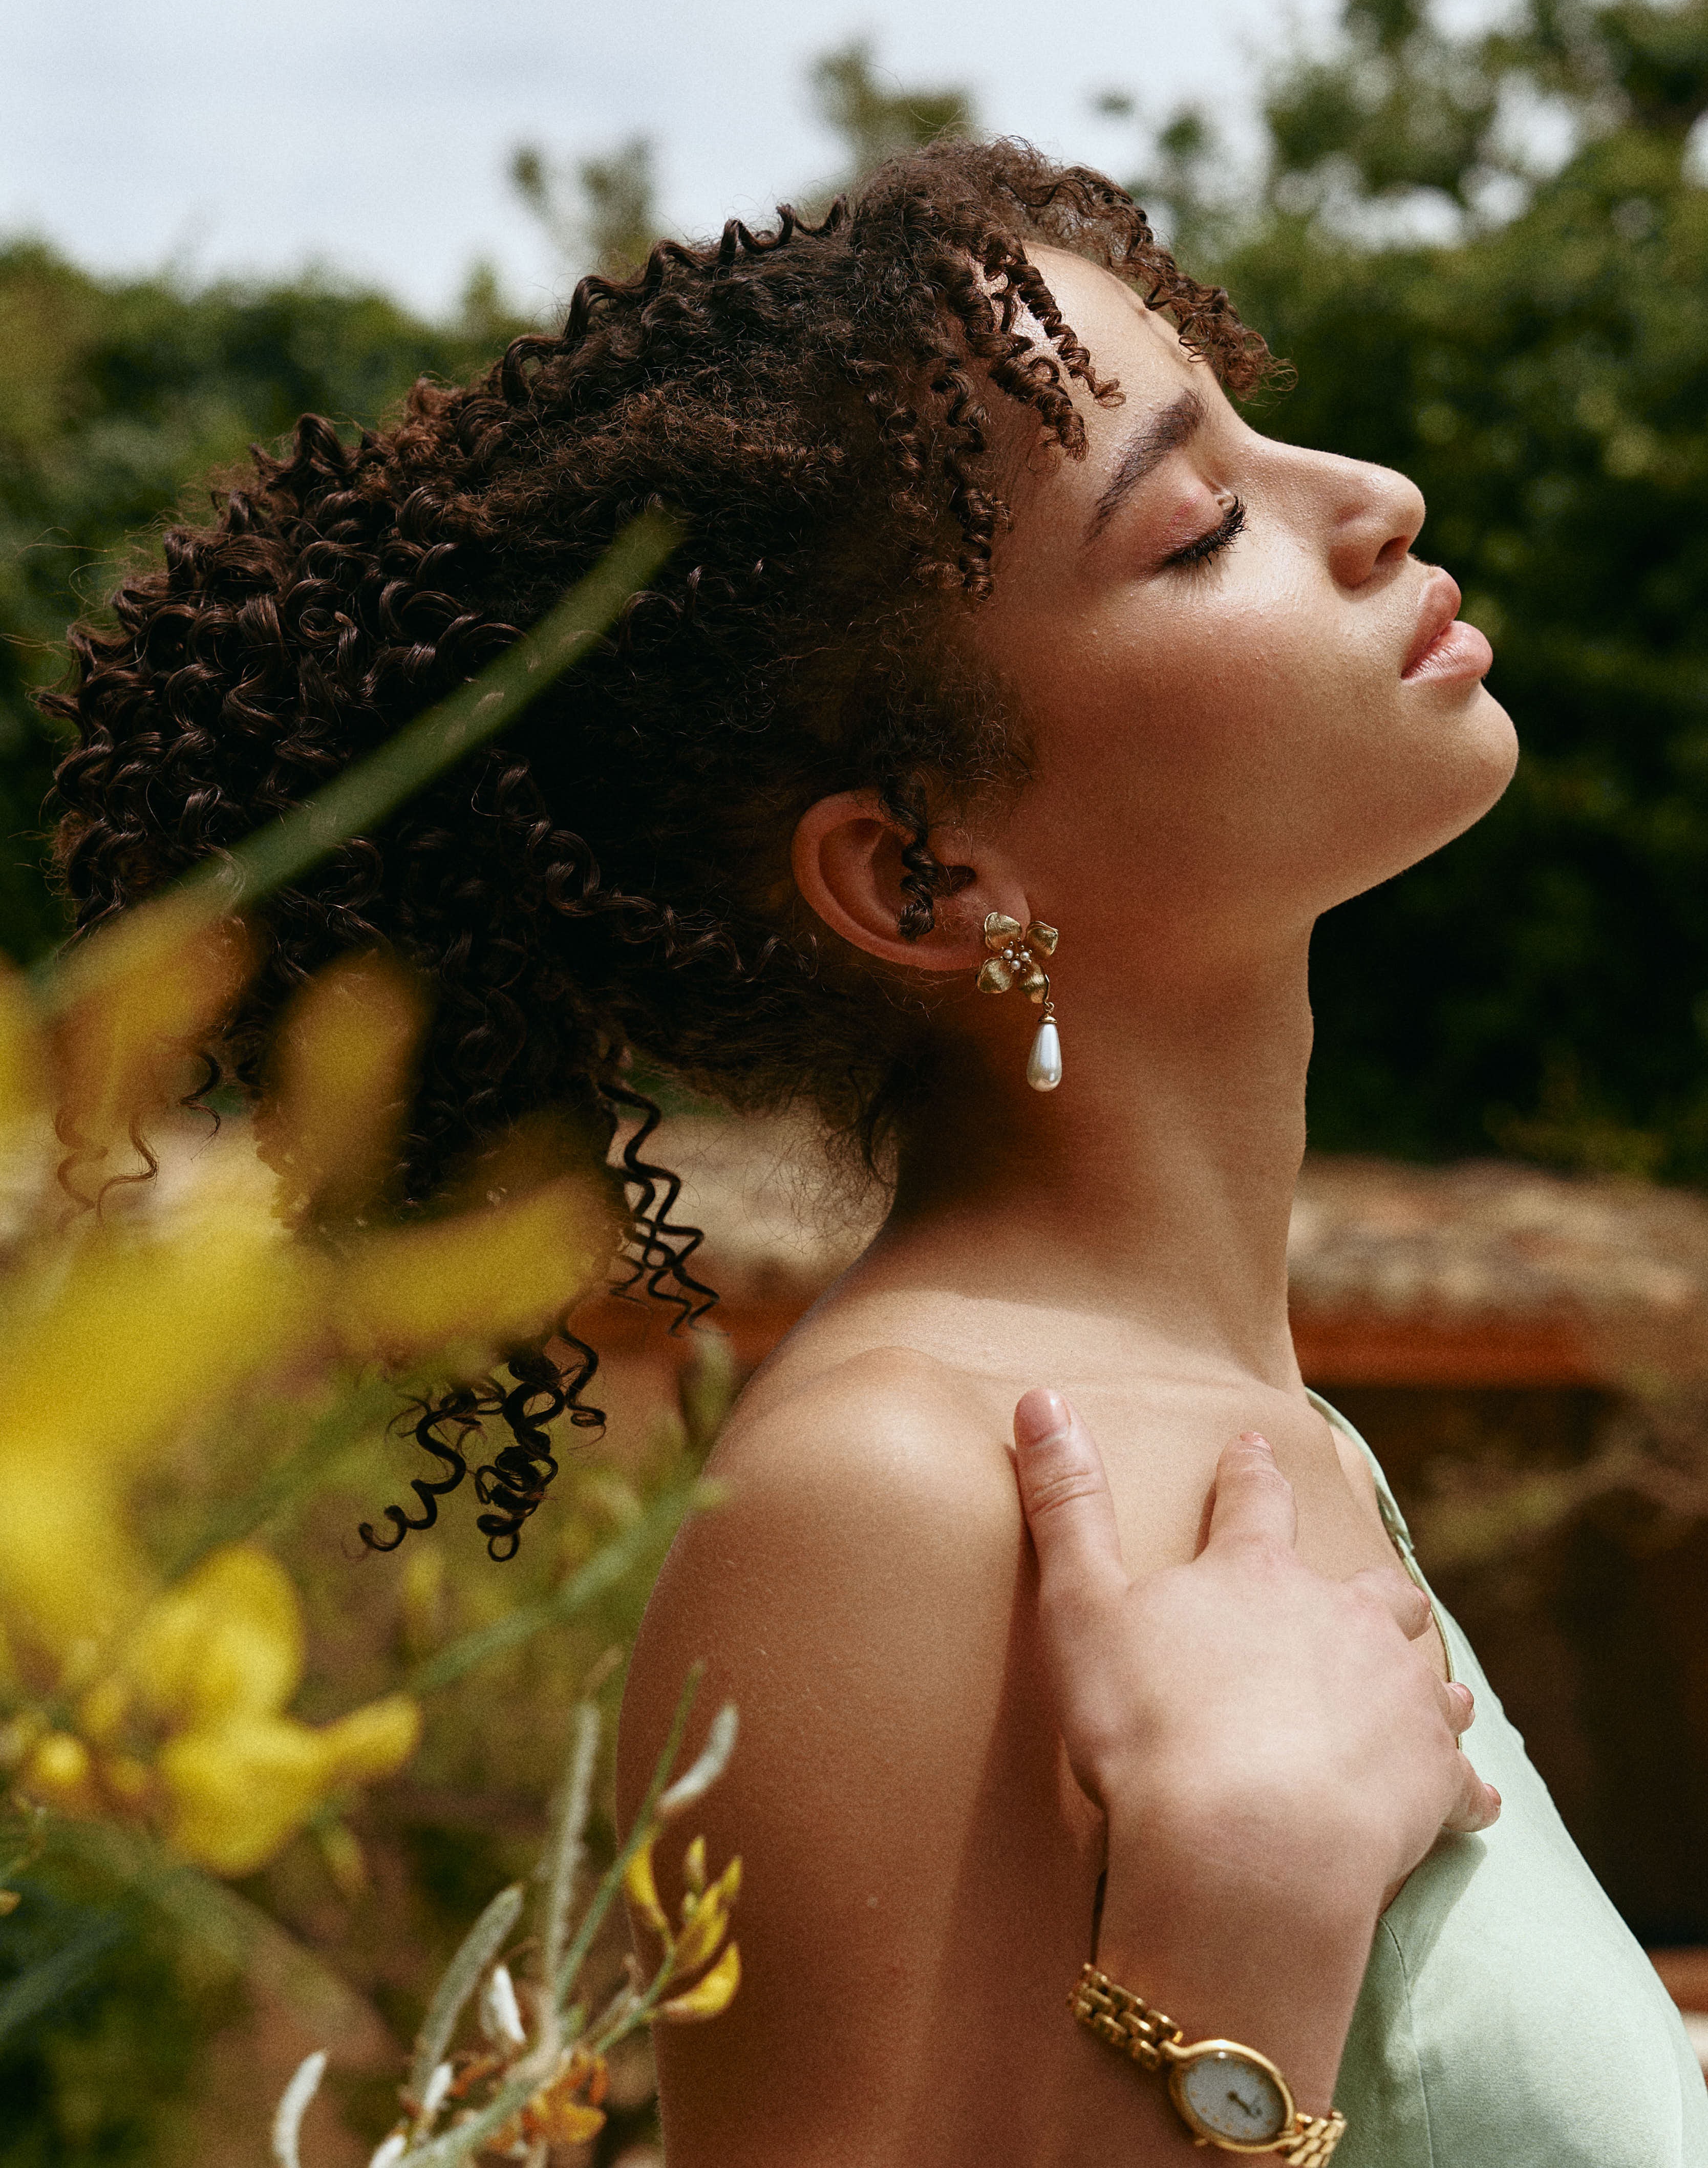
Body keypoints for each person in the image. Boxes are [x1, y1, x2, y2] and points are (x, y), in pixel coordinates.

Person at [47, 143, 1704, 2162]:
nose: (1373, 498)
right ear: (926, 871)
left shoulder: (1286, 1432)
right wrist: (1237, 1910)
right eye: (1196, 526)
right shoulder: (896, 1493)